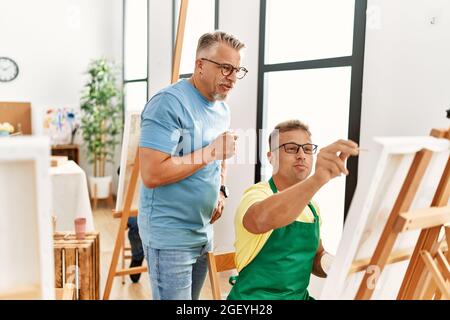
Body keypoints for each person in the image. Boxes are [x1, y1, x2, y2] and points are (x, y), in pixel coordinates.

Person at [138, 31, 247, 300]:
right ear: (200, 65)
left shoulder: (222, 108)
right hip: (169, 236)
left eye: (237, 70)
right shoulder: (168, 103)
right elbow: (152, 173)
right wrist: (210, 152)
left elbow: (220, 155)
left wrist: (221, 189)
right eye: (225, 68)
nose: (232, 78)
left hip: (202, 232)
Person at [227, 120, 359, 300]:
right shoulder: (257, 194)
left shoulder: (312, 208)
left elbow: (316, 257)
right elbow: (260, 220)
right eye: (291, 148)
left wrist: (337, 265)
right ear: (270, 156)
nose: (301, 155)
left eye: (307, 148)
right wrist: (317, 179)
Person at [117, 166, 144, 283]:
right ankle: (138, 255)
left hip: (152, 201)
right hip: (130, 203)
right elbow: (119, 171)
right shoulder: (128, 154)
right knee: (136, 223)